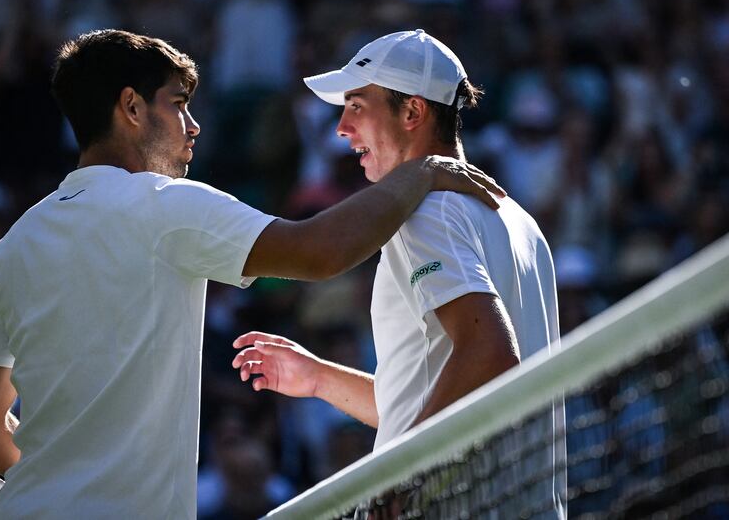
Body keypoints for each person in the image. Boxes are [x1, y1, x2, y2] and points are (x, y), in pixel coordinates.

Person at [0, 29, 503, 519]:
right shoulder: (166, 206)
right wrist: (425, 172)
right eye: (179, 104)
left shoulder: (10, 248)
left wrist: (50, 484)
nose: (193, 126)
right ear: (131, 108)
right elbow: (319, 252)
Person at [233, 29, 566, 517]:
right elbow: (451, 392)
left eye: (356, 106)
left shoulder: (427, 212)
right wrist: (320, 379)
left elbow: (490, 352)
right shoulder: (520, 221)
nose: (341, 128)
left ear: (413, 112)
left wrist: (400, 475)